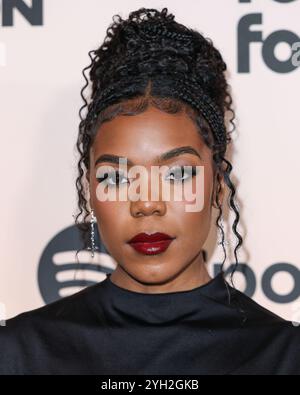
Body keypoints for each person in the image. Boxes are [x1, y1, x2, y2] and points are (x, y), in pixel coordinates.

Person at [0, 7, 299, 375]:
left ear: (217, 186)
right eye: (117, 177)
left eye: (176, 174)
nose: (146, 203)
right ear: (90, 190)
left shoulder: (284, 356)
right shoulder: (20, 352)